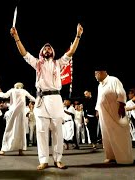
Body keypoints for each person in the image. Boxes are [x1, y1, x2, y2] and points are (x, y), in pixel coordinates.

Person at [10, 23, 83, 170]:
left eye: (49, 48)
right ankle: (43, 160)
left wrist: (78, 36)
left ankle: (58, 159)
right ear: (41, 52)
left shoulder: (58, 63)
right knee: (42, 131)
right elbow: (24, 53)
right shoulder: (37, 64)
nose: (47, 49)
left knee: (57, 131)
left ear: (53, 52)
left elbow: (71, 52)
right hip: (41, 100)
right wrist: (16, 37)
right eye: (45, 48)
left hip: (56, 99)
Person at [94, 66, 133, 165]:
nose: (95, 75)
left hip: (115, 111)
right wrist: (98, 110)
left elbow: (121, 93)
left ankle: (124, 158)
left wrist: (121, 106)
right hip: (104, 113)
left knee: (119, 133)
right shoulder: (99, 85)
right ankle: (111, 156)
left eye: (96, 73)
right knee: (106, 134)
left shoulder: (113, 80)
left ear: (103, 72)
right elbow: (99, 99)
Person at [0, 82, 36, 156]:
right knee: (21, 130)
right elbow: (32, 98)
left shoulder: (12, 90)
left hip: (13, 112)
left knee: (9, 129)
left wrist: (0, 92)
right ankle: (20, 150)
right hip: (20, 113)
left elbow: (4, 96)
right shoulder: (24, 91)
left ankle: (3, 150)